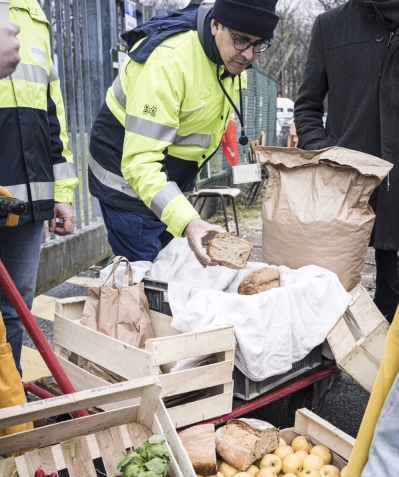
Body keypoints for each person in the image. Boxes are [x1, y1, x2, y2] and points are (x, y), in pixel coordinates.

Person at [89, 0, 279, 268]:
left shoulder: (231, 59)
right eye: (242, 40)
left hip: (166, 181)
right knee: (148, 281)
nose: (249, 55)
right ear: (215, 25)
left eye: (260, 44)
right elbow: (140, 162)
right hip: (126, 180)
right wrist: (188, 220)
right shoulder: (168, 61)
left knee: (165, 273)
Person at [294, 0, 399, 323]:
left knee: (392, 302)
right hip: (343, 191)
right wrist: (329, 155)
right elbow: (307, 107)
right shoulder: (330, 26)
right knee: (328, 301)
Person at [0, 0, 78, 376]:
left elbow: (52, 116)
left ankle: (8, 416)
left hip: (25, 203)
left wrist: (61, 194)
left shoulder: (33, 15)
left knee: (15, 313)